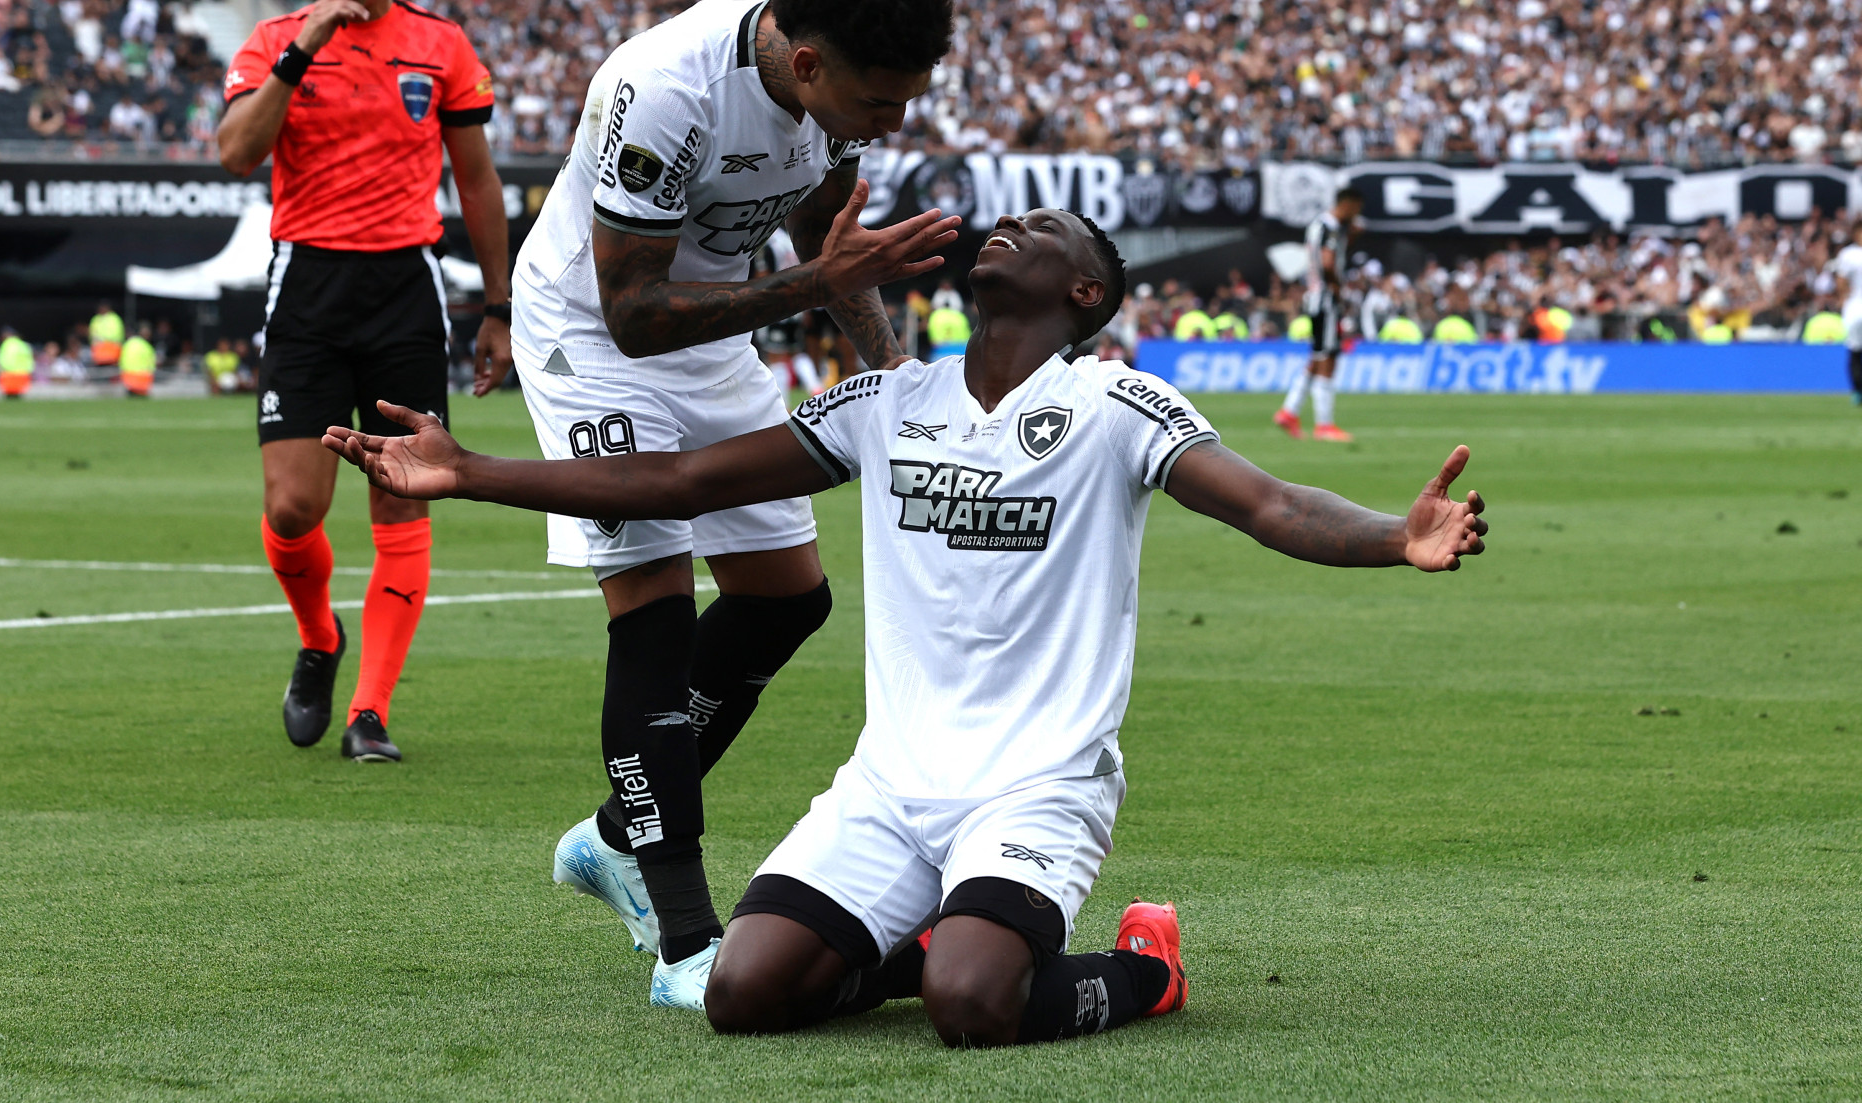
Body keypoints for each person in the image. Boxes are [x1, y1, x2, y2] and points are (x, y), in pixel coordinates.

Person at [323, 205, 1489, 1046]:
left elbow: (1274, 502)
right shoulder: (890, 401)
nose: (1012, 228)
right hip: (891, 782)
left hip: (1038, 782)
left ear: (1087, 293)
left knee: (973, 1005)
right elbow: (682, 483)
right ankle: (921, 933)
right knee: (744, 993)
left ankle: (1145, 970)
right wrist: (471, 471)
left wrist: (1398, 535)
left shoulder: (1115, 402)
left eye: (1047, 230)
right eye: (1012, 220)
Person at [508, 0, 960, 1006]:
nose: (891, 122)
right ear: (808, 65)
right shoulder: (664, 91)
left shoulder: (824, 100)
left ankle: (620, 834)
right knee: (654, 611)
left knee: (786, 598)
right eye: (879, 102)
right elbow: (633, 310)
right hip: (593, 340)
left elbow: (823, 238)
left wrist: (897, 387)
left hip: (707, 333)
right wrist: (811, 286)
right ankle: (682, 942)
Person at [218, 0, 513, 764]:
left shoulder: (439, 45)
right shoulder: (273, 42)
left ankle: (370, 712)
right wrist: (300, 51)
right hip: (306, 286)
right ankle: (319, 639)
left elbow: (477, 180)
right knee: (294, 505)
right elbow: (236, 152)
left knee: (403, 498)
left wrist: (499, 306)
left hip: (403, 292)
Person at [1275, 188, 1362, 442]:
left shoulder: (1320, 225)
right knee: (1328, 356)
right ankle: (1324, 424)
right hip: (1325, 298)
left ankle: (1289, 411)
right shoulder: (1331, 226)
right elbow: (1327, 261)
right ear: (1348, 204)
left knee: (1317, 356)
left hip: (1315, 297)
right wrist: (1336, 286)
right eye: (1356, 208)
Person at [1829, 231, 1862, 404]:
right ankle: (1858, 390)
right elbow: (1841, 280)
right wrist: (1843, 297)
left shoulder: (1849, 255)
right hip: (1856, 305)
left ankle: (1858, 391)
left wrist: (1842, 298)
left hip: (1855, 306)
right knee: (1855, 349)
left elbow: (1841, 279)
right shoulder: (1850, 254)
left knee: (1856, 350)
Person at [89, 301, 125, 366]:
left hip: (113, 354)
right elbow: (92, 335)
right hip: (99, 355)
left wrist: (104, 341)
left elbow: (117, 336)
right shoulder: (96, 319)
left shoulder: (114, 318)